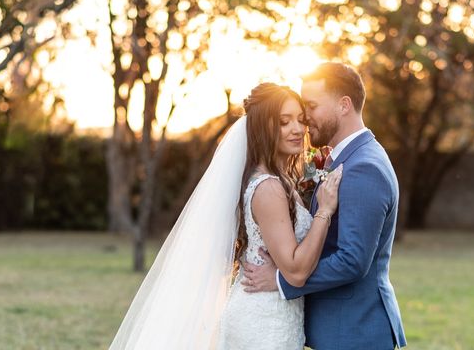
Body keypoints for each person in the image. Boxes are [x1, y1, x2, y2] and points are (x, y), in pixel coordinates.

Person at [108, 82, 341, 349]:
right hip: (264, 322)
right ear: (262, 127)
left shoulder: (278, 180)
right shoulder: (268, 188)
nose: (298, 129)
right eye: (284, 122)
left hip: (273, 314)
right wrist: (324, 211)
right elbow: (296, 272)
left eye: (300, 120)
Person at [242, 62, 407, 350]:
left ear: (344, 105)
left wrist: (281, 280)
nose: (305, 118)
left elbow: (352, 261)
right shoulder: (346, 159)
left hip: (353, 332)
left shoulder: (363, 167)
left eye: (312, 106)